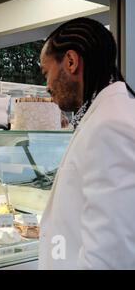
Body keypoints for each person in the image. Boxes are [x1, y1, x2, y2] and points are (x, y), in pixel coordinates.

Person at [38, 17, 135, 269]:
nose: (47, 86)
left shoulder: (110, 125)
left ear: (71, 61)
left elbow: (110, 256)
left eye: (46, 73)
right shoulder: (106, 113)